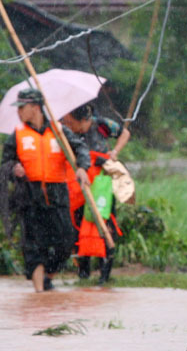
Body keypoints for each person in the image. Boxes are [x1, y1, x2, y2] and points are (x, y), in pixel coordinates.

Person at [1, 88, 90, 292]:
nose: (19, 112)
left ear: (35, 107)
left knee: (66, 242)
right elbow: (5, 161)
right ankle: (39, 293)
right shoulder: (18, 135)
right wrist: (14, 168)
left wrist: (82, 168)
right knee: (34, 247)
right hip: (29, 196)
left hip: (56, 195)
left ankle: (48, 277)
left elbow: (80, 148)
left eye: (22, 107)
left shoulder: (59, 131)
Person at [61, 103, 130, 283]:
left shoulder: (101, 124)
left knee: (103, 221)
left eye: (71, 122)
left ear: (84, 120)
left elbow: (125, 133)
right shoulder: (67, 132)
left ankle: (104, 272)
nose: (68, 125)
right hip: (79, 183)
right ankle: (83, 271)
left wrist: (114, 152)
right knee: (79, 222)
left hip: (102, 182)